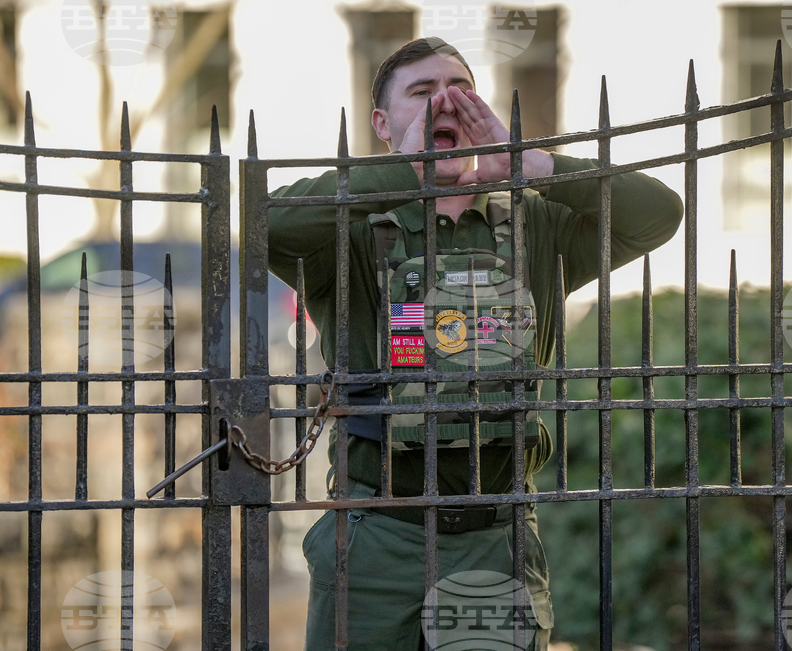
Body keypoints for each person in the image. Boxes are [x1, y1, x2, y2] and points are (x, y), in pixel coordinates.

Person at [267, 37, 683, 651]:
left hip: (496, 533)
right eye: (420, 92)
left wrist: (529, 167)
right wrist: (401, 175)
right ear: (383, 123)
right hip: (377, 538)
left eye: (459, 90)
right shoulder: (348, 230)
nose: (444, 105)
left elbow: (657, 214)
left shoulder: (536, 224)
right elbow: (257, 225)